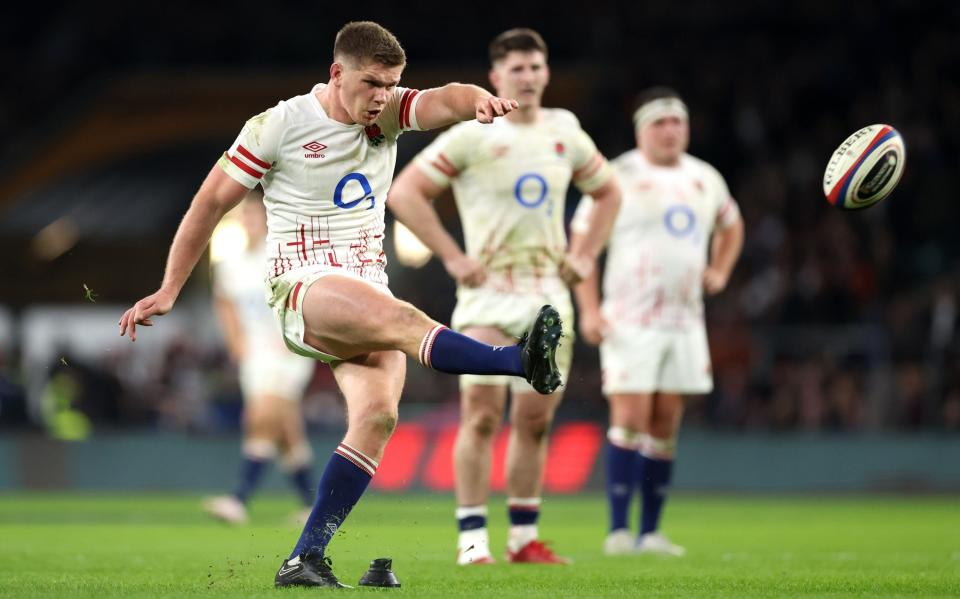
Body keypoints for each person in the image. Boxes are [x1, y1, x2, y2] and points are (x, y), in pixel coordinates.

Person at [118, 21, 564, 588]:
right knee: (402, 320)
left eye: (392, 83)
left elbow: (444, 98)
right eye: (373, 82)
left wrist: (479, 100)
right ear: (337, 73)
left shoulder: (390, 111)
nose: (382, 96)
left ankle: (305, 558)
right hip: (302, 290)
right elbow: (208, 205)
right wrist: (170, 289)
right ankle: (515, 361)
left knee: (378, 418)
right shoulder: (278, 125)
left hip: (363, 292)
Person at [389, 28, 621, 566]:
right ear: (495, 78)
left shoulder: (565, 131)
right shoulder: (474, 133)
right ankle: (472, 542)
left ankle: (523, 540)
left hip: (547, 293)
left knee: (535, 421)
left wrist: (585, 253)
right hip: (489, 294)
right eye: (517, 69)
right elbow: (406, 192)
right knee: (481, 415)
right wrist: (451, 256)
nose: (529, 77)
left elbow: (608, 191)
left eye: (536, 67)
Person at [571, 87, 744, 557]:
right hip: (630, 319)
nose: (670, 131)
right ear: (640, 130)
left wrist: (721, 269)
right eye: (659, 123)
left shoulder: (705, 178)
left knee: (666, 423)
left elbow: (732, 225)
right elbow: (582, 244)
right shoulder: (617, 175)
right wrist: (588, 308)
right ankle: (617, 531)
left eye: (677, 123)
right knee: (629, 418)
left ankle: (650, 532)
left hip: (684, 320)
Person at [203, 192, 317, 525]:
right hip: (255, 355)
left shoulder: (284, 258)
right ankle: (313, 505)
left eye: (257, 215)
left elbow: (308, 295)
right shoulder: (231, 266)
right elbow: (223, 301)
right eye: (246, 215)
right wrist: (236, 340)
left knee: (261, 416)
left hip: (287, 352)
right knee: (286, 431)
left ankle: (238, 498)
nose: (251, 221)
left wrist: (295, 332)